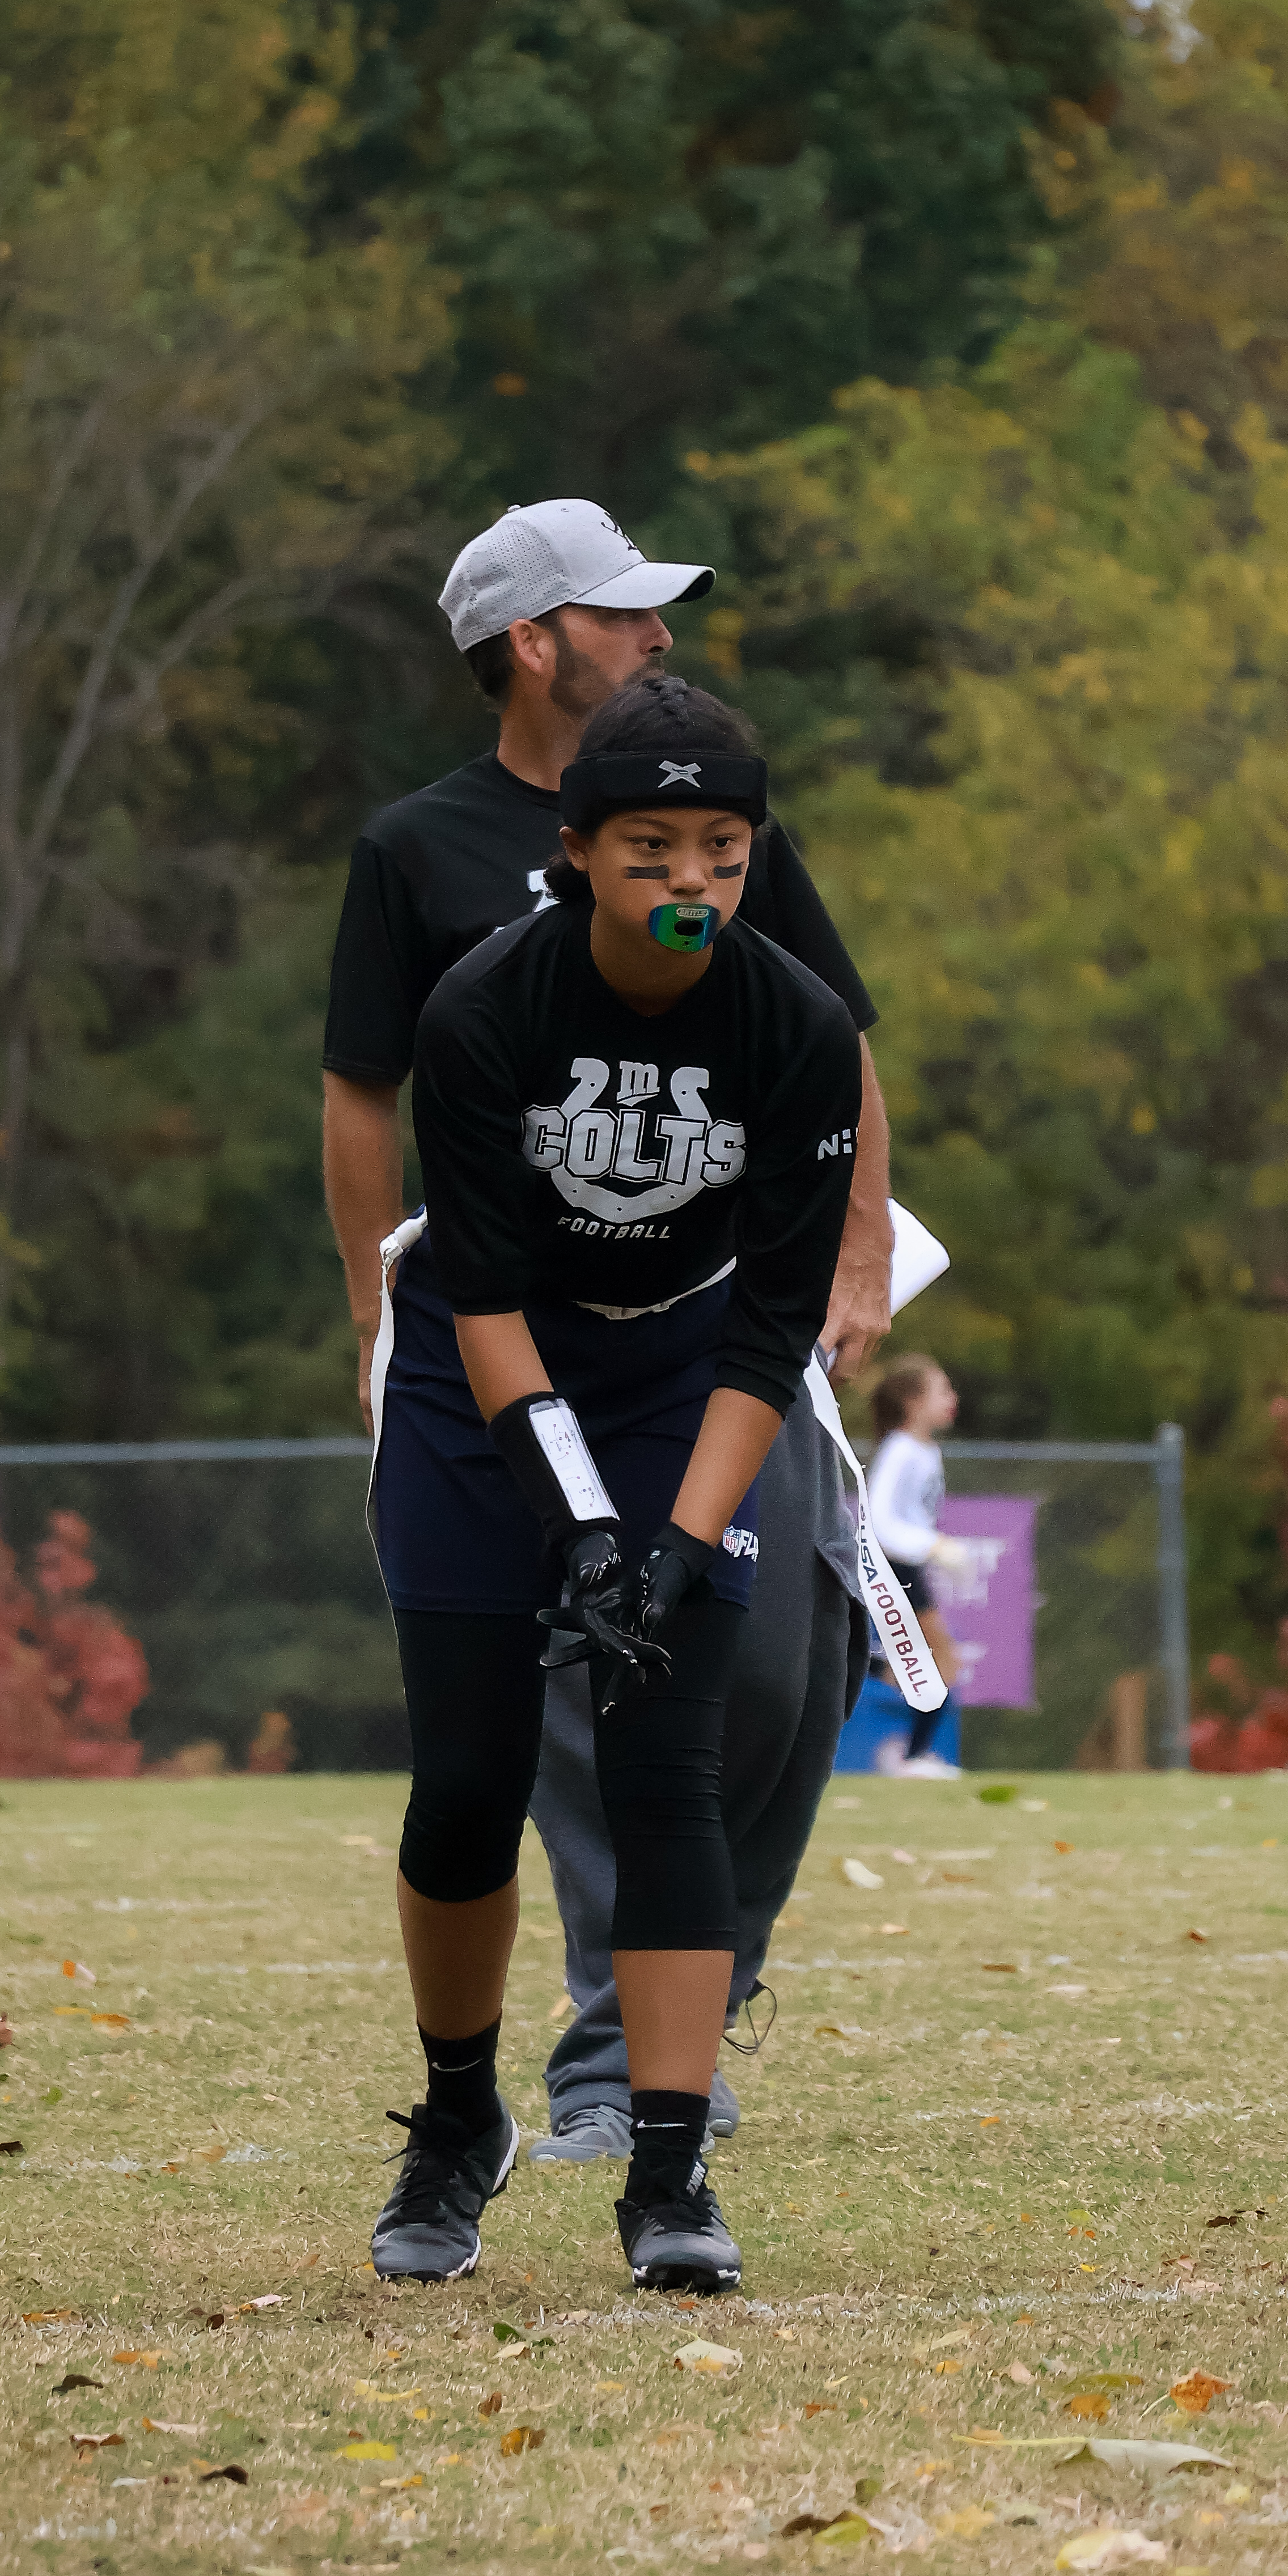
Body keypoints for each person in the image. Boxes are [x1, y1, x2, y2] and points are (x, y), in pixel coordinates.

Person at [321, 498, 894, 2159]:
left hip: (707, 1322)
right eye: (621, 614)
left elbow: (828, 1041)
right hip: (502, 1328)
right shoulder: (419, 852)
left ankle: (693, 1994)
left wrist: (854, 1259)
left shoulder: (718, 820)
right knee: (549, 1702)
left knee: (780, 1661)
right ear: (529, 640)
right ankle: (608, 2067)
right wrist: (374, 1307)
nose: (655, 635)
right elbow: (366, 1098)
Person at [863, 1358, 968, 1777]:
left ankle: (913, 1753)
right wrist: (935, 1545)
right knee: (939, 1660)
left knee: (931, 1662)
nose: (952, 1399)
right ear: (912, 1401)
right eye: (942, 1390)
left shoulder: (924, 1450)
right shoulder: (900, 1450)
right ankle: (914, 1757)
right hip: (894, 1566)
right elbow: (881, 1520)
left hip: (909, 1566)